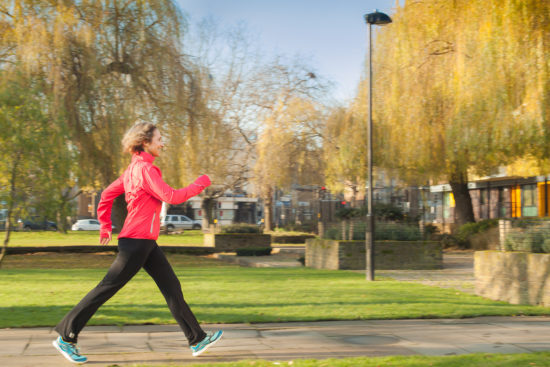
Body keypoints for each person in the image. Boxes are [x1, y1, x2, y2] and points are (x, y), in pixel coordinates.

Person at [52, 122, 222, 364]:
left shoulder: (134, 169)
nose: (163, 143)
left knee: (172, 287)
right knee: (106, 288)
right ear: (145, 142)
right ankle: (66, 337)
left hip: (145, 242)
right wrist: (201, 182)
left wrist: (104, 224)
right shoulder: (145, 170)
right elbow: (171, 196)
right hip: (136, 242)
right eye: (159, 138)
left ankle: (197, 339)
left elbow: (106, 194)